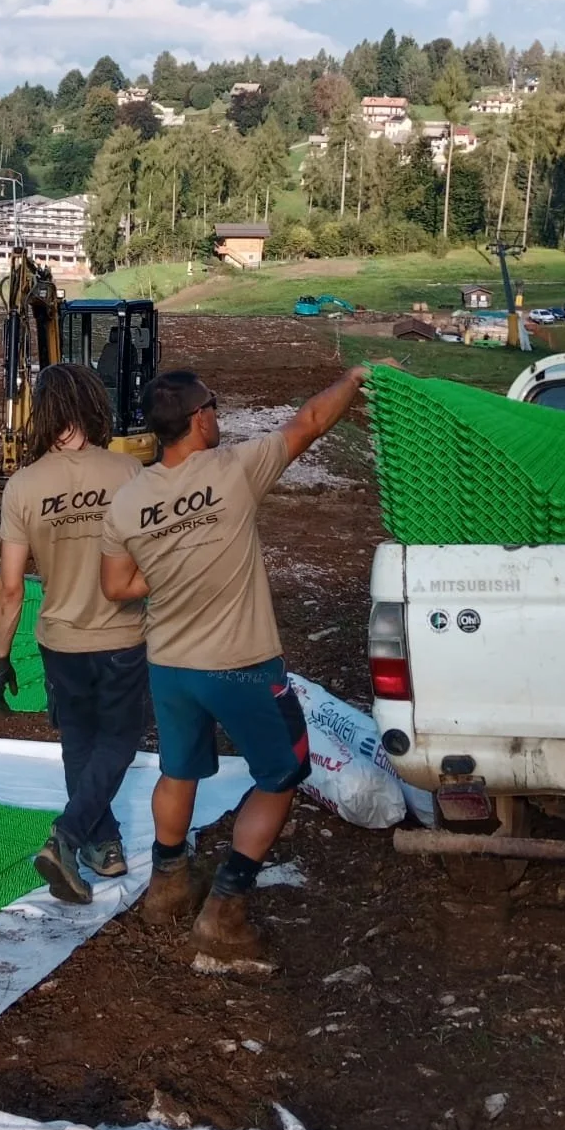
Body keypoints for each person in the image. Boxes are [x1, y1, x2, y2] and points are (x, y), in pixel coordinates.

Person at [100, 362, 371, 973]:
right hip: (243, 665)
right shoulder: (233, 471)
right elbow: (309, 422)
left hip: (169, 665)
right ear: (198, 420)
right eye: (213, 408)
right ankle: (226, 907)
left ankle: (167, 884)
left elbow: (117, 586)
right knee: (283, 774)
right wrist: (354, 379)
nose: (217, 416)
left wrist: (170, 569)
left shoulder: (130, 499)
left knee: (179, 770)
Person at [0, 363, 150, 906]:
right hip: (125, 635)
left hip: (59, 639)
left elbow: (10, 588)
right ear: (92, 405)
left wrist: (0, 656)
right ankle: (74, 837)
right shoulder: (130, 474)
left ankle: (102, 845)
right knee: (120, 741)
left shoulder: (23, 485)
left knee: (79, 741)